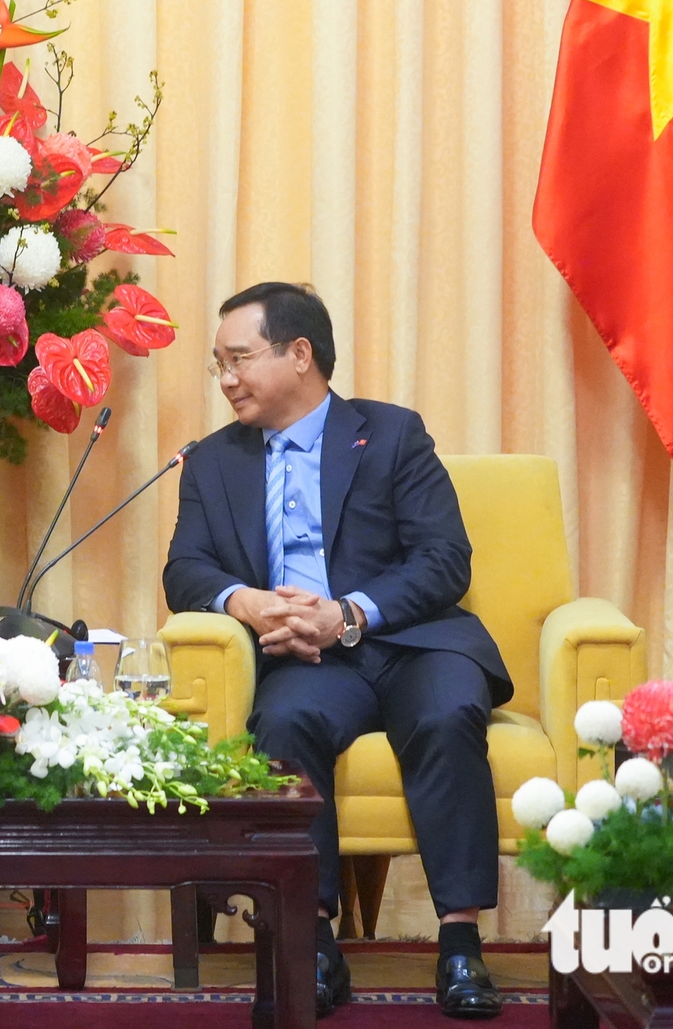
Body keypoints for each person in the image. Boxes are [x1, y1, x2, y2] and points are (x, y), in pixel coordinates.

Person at [162, 282, 509, 1020]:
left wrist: (348, 613)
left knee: (448, 713)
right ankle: (310, 944)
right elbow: (185, 570)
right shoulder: (214, 462)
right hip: (309, 665)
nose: (225, 379)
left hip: (411, 642)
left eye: (238, 359)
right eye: (217, 364)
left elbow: (445, 560)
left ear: (299, 354)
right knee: (284, 726)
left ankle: (459, 944)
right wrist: (245, 602)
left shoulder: (390, 435)